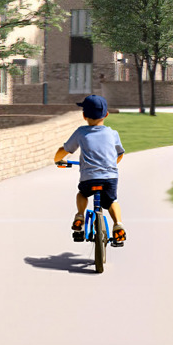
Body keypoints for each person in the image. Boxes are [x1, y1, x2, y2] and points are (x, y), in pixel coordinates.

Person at [54, 95, 128, 244]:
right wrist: (111, 164)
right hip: (109, 177)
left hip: (89, 177)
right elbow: (119, 154)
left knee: (82, 193)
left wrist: (57, 159)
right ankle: (118, 224)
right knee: (112, 201)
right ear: (106, 114)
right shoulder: (113, 134)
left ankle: (80, 215)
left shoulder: (81, 132)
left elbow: (65, 149)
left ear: (84, 116)